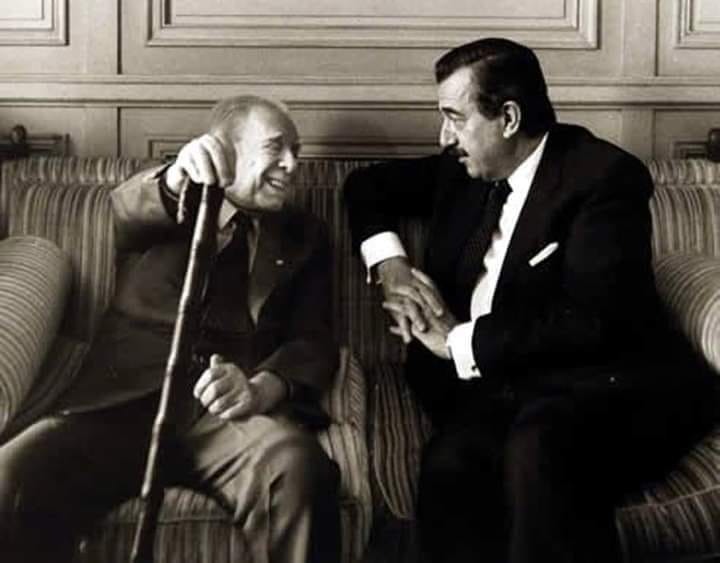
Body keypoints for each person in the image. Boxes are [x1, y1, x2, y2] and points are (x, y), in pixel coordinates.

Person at [344, 37, 718, 563]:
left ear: (509, 118)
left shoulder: (603, 178)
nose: (443, 136)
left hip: (603, 382)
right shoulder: (461, 167)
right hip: (503, 387)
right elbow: (364, 187)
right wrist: (392, 268)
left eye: (455, 118)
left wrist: (456, 343)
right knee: (448, 467)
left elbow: (592, 319)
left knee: (537, 450)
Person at [0, 95, 341, 563]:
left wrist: (259, 389)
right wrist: (179, 175)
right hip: (119, 409)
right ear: (227, 149)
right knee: (12, 476)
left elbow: (313, 340)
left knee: (297, 468)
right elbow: (125, 211)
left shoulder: (306, 235)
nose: (292, 163)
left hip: (228, 419)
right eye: (276, 147)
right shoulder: (171, 201)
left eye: (295, 152)